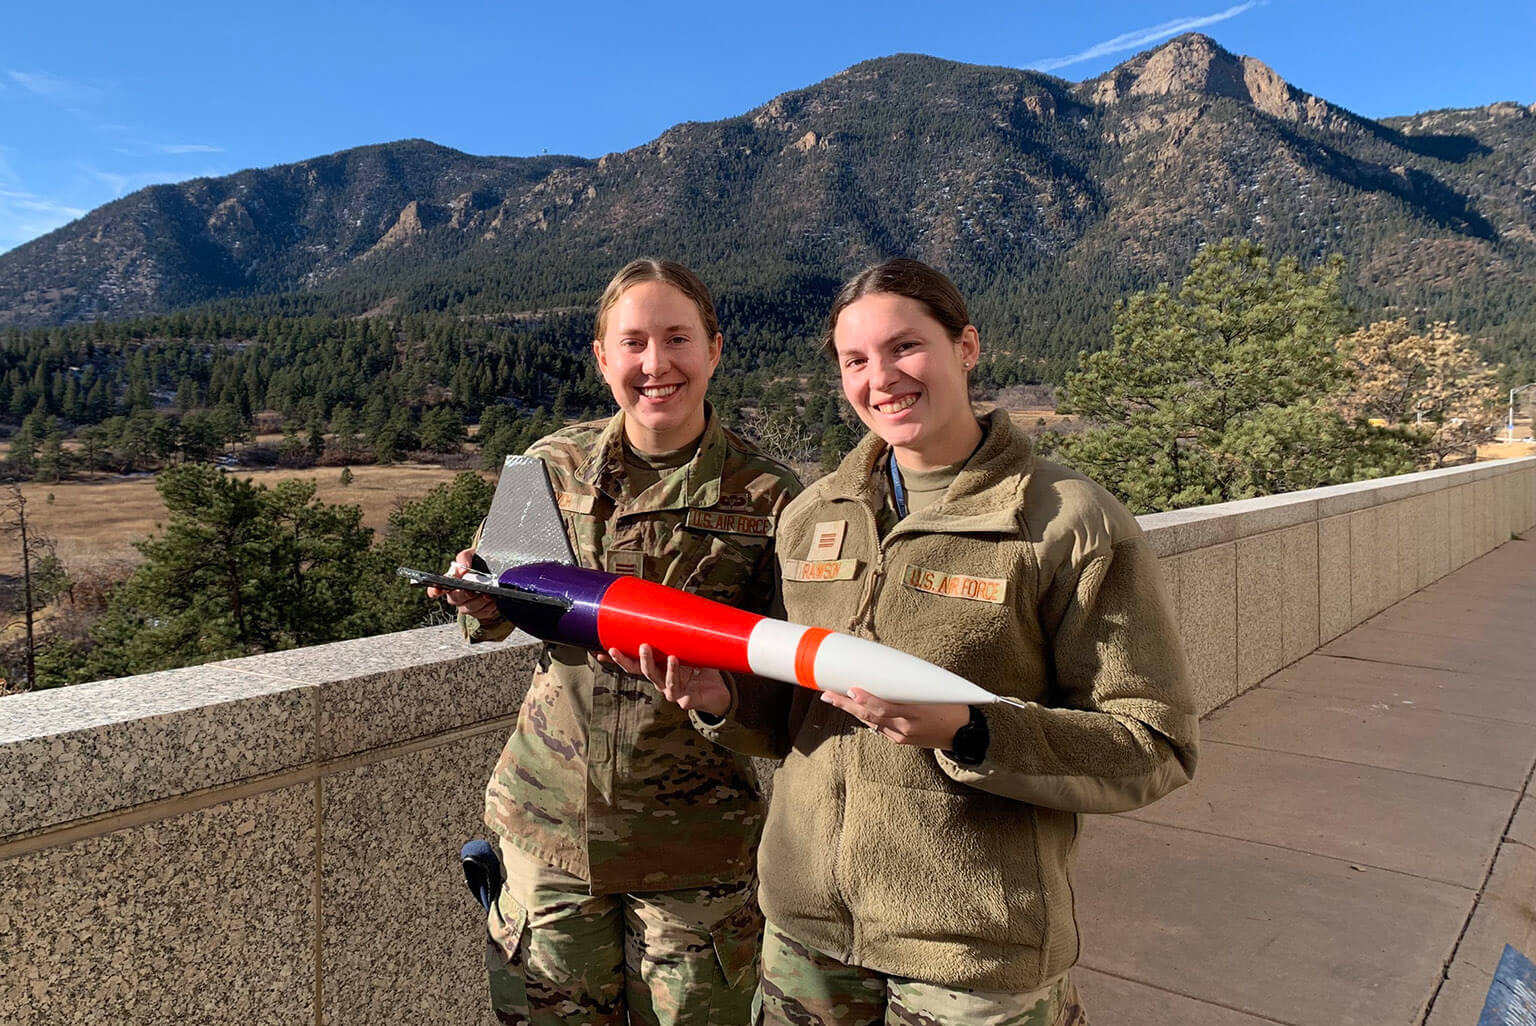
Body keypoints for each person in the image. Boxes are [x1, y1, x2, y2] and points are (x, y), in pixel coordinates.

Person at [641, 258, 1199, 1025]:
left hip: (971, 957)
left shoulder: (1066, 521)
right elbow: (804, 722)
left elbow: (1154, 745)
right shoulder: (812, 516)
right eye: (856, 361)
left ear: (965, 347)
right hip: (807, 938)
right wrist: (725, 698)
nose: (883, 378)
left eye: (905, 347)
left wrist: (969, 729)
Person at [432, 258, 802, 1026]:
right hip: (547, 839)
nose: (656, 364)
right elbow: (492, 611)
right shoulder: (549, 466)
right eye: (633, 342)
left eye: (677, 339)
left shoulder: (769, 497)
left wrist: (722, 694)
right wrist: (474, 591)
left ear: (714, 351)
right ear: (603, 357)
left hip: (695, 857)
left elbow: (790, 688)